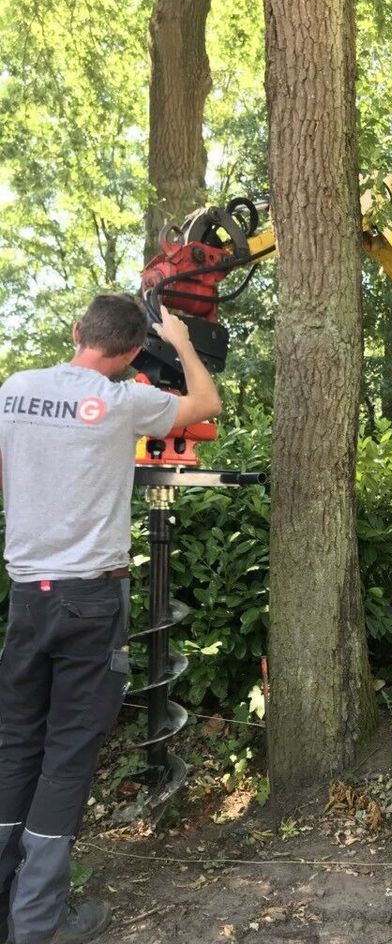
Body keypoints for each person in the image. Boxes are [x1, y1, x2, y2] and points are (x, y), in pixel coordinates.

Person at [0, 293, 221, 944]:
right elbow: (204, 407)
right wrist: (180, 338)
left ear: (76, 332)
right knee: (67, 758)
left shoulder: (14, 388)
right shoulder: (125, 400)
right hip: (91, 600)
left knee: (14, 748)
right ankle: (37, 922)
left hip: (27, 596)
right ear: (130, 357)